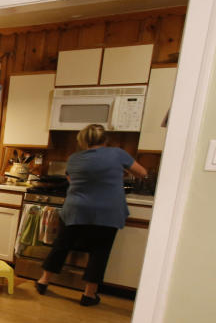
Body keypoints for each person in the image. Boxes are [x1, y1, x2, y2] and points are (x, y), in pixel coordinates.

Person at [35, 124, 147, 306]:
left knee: (62, 245)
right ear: (105, 139)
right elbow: (142, 172)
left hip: (76, 208)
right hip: (107, 211)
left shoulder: (73, 158)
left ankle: (43, 281)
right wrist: (121, 173)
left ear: (83, 140)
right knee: (99, 251)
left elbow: (71, 180)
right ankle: (89, 295)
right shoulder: (118, 154)